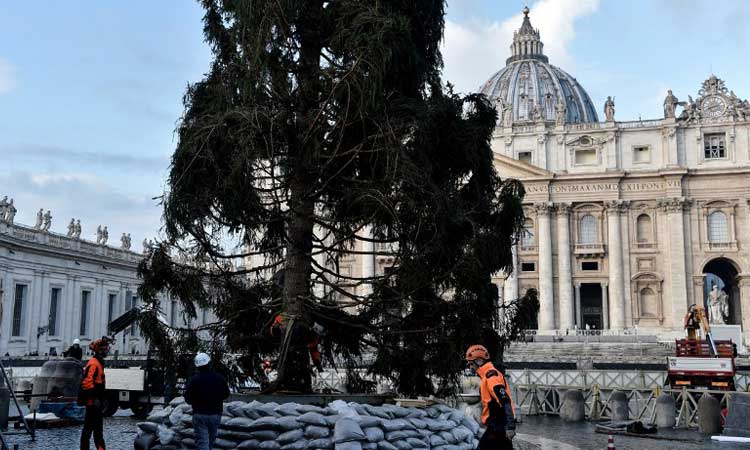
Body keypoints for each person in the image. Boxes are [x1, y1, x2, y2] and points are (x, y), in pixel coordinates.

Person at [465, 345, 516, 450]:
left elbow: (505, 400)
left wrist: (510, 426)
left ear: (479, 361)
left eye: (471, 364)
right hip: (496, 425)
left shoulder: (491, 376)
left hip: (499, 425)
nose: (470, 367)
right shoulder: (486, 376)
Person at [184, 353, 230, 450]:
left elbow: (187, 398)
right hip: (215, 414)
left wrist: (197, 402)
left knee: (202, 442)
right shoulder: (219, 378)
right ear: (209, 363)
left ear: (197, 366)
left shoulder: (194, 380)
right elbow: (226, 394)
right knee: (211, 440)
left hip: (199, 415)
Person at [79, 337, 111, 450]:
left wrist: (102, 399)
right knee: (89, 431)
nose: (107, 350)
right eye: (105, 348)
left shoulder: (98, 362)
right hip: (92, 403)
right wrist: (95, 399)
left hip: (96, 402)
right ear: (99, 350)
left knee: (97, 432)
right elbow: (87, 382)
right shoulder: (94, 363)